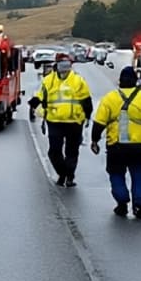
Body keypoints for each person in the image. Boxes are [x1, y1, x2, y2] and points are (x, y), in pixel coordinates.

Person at [91, 66, 141, 218]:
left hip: (116, 146)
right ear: (136, 81)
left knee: (116, 174)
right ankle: (139, 206)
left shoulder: (110, 98)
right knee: (139, 175)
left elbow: (99, 123)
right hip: (139, 146)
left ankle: (122, 203)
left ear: (120, 80)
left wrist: (94, 140)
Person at [29, 55, 92, 187]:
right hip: (55, 121)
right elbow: (41, 96)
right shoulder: (48, 81)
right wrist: (33, 104)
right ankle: (64, 173)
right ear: (56, 66)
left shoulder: (78, 81)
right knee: (54, 152)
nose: (65, 68)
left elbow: (86, 100)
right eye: (62, 65)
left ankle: (68, 177)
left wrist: (87, 116)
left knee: (71, 151)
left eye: (67, 65)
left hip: (73, 121)